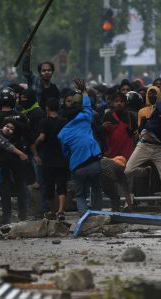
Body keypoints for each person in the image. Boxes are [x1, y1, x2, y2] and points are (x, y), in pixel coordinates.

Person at [58, 79, 103, 216]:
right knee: (96, 189)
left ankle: (85, 219)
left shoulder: (62, 134)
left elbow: (65, 153)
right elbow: (88, 106)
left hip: (78, 167)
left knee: (80, 195)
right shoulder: (85, 117)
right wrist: (84, 91)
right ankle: (96, 216)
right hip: (94, 162)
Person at [125, 110, 161, 213]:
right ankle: (129, 201)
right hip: (144, 145)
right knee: (128, 171)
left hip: (159, 149)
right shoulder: (155, 117)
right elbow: (147, 129)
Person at [35, 98, 69, 221]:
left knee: (48, 186)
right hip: (62, 158)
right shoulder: (64, 122)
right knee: (61, 186)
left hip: (47, 159)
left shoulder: (44, 121)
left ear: (47, 108)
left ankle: (52, 211)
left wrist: (35, 145)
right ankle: (61, 212)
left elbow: (42, 137)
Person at [21, 45, 60, 110]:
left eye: (49, 70)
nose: (47, 72)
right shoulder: (34, 81)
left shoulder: (54, 88)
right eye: (44, 70)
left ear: (52, 72)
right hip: (34, 115)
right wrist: (27, 54)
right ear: (40, 73)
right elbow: (26, 71)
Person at [101, 92, 137, 160]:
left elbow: (135, 133)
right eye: (116, 101)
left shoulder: (131, 116)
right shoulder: (108, 115)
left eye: (121, 101)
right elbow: (103, 134)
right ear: (112, 103)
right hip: (112, 153)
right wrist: (102, 127)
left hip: (127, 153)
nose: (119, 103)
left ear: (125, 103)